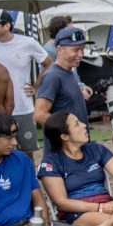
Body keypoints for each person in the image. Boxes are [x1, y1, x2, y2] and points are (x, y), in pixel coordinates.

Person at [0, 9, 52, 159]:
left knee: (26, 152)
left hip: (22, 107)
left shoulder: (27, 42)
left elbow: (49, 63)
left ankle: (29, 182)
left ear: (7, 26)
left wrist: (37, 87)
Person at [33, 26, 91, 156]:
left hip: (76, 148)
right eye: (75, 50)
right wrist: (71, 131)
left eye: (82, 49)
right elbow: (39, 114)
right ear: (59, 49)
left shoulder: (71, 72)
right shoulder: (53, 76)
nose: (80, 54)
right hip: (62, 152)